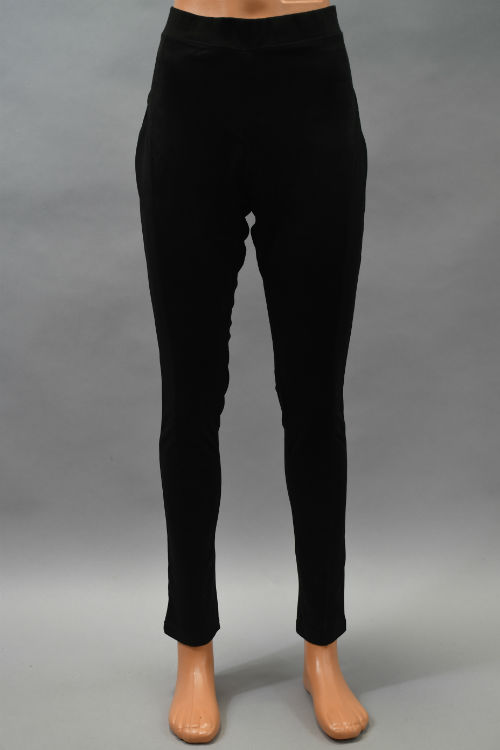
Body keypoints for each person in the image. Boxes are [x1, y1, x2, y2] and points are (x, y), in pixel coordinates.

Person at [135, 0, 369, 741]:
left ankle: (323, 647)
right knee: (189, 400)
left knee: (316, 400)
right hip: (191, 81)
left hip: (312, 81)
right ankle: (193, 649)